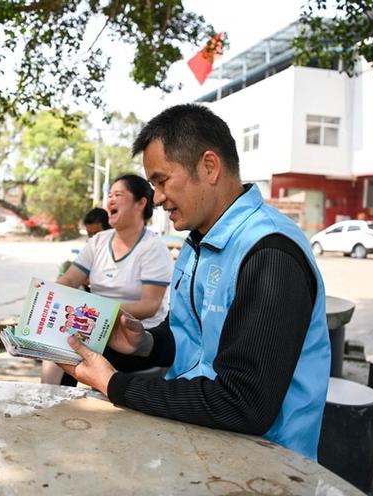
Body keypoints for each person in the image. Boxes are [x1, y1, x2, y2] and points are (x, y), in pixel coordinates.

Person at [59, 104, 332, 460]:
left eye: (161, 180)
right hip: (199, 443)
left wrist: (114, 384)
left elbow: (243, 402)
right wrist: (146, 345)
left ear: (209, 166)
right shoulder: (198, 242)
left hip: (266, 463)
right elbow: (199, 341)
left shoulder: (269, 254)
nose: (156, 198)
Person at [42, 174, 174, 386]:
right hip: (94, 327)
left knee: (72, 349)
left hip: (135, 337)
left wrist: (99, 311)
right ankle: (50, 405)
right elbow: (70, 278)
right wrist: (45, 298)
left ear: (141, 203)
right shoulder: (99, 242)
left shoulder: (153, 247)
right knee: (56, 346)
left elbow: (149, 305)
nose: (110, 200)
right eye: (109, 195)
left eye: (118, 195)